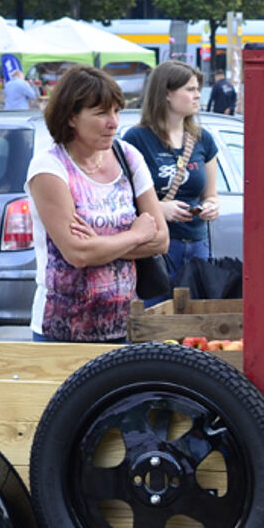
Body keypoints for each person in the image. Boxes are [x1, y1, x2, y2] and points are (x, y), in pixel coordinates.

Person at [27, 65, 166, 342]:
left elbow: (161, 240)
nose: (113, 122)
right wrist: (136, 235)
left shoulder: (128, 155)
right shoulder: (50, 167)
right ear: (70, 117)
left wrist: (99, 246)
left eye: (116, 111)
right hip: (63, 331)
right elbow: (78, 254)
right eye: (101, 112)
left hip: (128, 327)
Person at [123, 61, 221, 301]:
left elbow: (211, 194)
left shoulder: (203, 139)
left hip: (197, 243)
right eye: (190, 89)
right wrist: (159, 209)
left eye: (198, 88)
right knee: (156, 320)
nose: (198, 95)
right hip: (159, 246)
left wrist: (211, 206)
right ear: (167, 93)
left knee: (195, 322)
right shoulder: (136, 139)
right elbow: (122, 199)